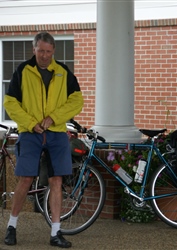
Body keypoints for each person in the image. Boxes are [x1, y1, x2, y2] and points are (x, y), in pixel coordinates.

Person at [3, 32, 84, 247]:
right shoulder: (23, 70)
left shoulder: (63, 72)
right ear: (34, 49)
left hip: (56, 132)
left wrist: (54, 118)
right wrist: (30, 123)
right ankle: (11, 226)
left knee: (56, 180)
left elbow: (77, 101)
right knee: (26, 178)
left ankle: (55, 233)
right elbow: (10, 102)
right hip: (30, 133)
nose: (45, 56)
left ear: (53, 51)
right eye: (41, 51)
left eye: (48, 51)